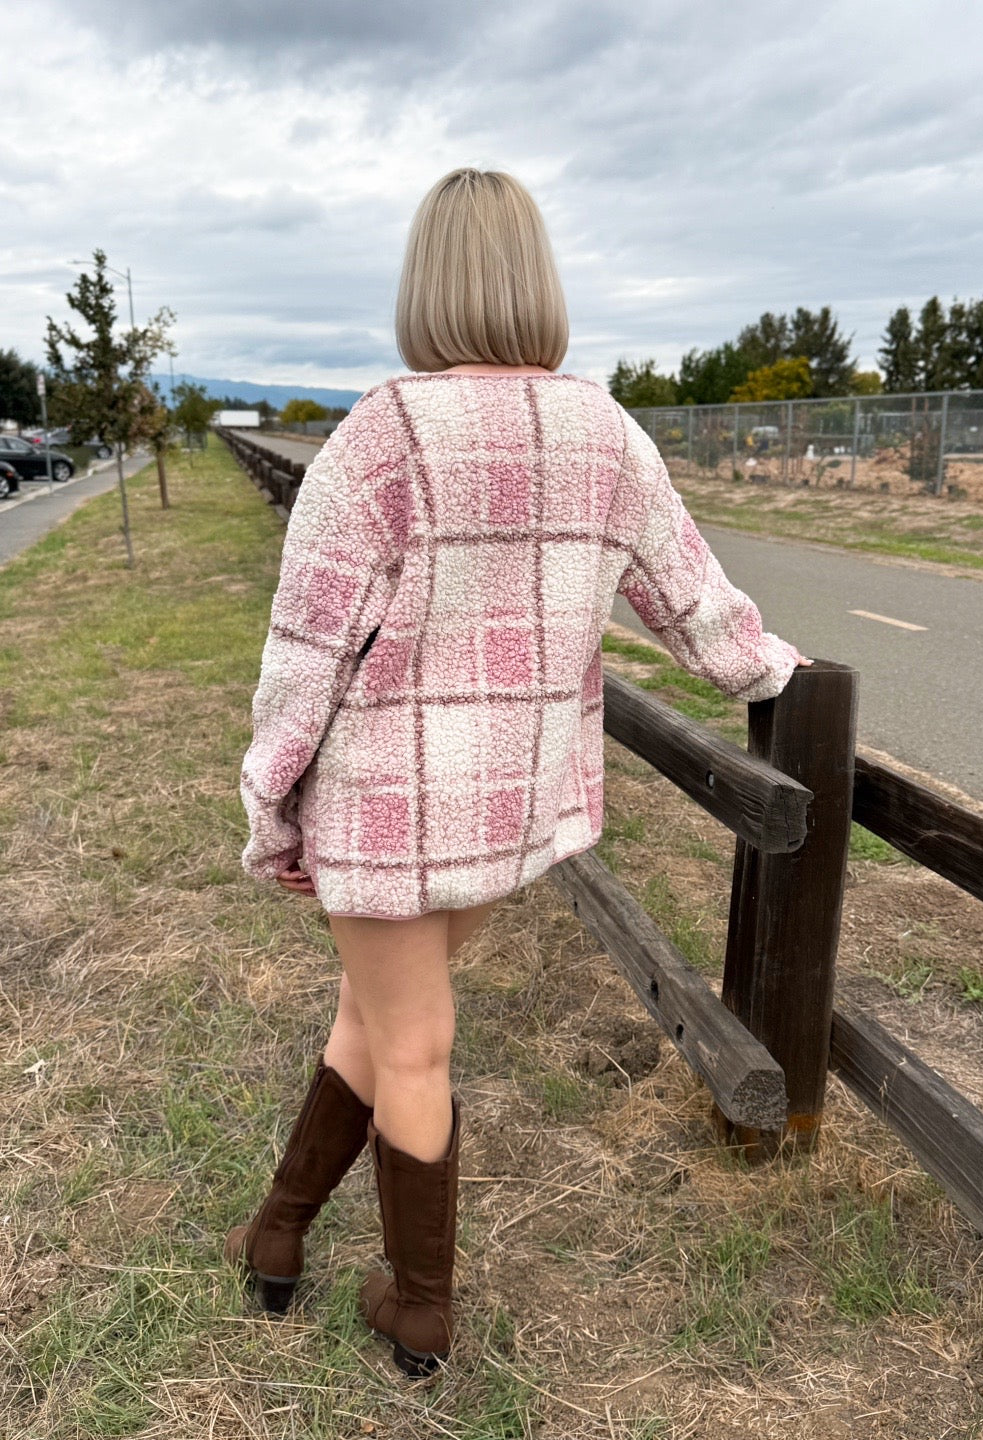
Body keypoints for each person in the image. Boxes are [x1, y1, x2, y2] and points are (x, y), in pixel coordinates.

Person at [226, 166, 813, 1377]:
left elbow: (305, 651)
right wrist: (773, 675)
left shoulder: (383, 434)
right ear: (538, 282)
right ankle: (277, 1234)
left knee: (411, 1040)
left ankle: (420, 1308)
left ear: (423, 288)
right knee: (385, 1022)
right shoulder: (610, 435)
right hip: (506, 807)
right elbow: (694, 603)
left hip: (383, 808)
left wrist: (270, 805)